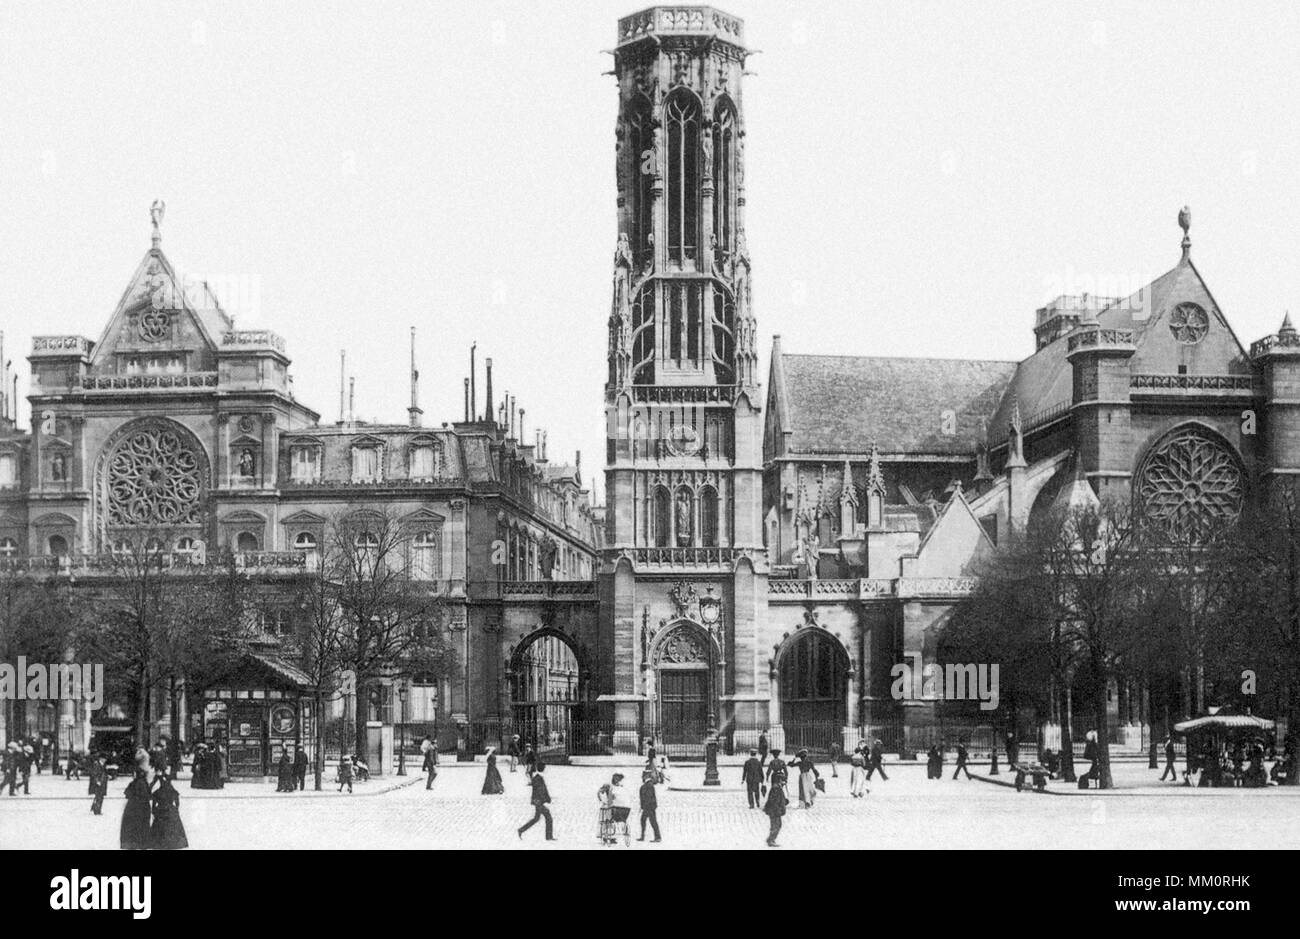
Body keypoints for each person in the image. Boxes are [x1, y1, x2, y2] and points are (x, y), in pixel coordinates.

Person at [148, 772, 188, 849]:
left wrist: (154, 811)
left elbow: (153, 803)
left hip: (160, 810)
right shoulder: (173, 791)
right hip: (171, 810)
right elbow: (177, 802)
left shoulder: (158, 792)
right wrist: (176, 809)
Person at [120, 760, 153, 850]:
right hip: (142, 808)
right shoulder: (143, 782)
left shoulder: (136, 783)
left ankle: (135, 844)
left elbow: (128, 793)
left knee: (134, 827)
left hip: (135, 808)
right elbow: (148, 796)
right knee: (141, 827)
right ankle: (141, 844)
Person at [517, 761, 554, 841]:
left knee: (536, 818)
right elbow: (541, 791)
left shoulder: (537, 777)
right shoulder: (538, 778)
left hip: (537, 801)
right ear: (543, 769)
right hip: (538, 801)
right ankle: (549, 836)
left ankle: (521, 830)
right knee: (548, 817)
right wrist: (546, 799)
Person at [763, 766, 788, 847]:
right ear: (779, 780)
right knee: (775, 826)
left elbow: (780, 799)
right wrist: (777, 810)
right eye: (783, 780)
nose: (784, 782)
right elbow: (773, 801)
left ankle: (771, 839)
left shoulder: (778, 787)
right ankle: (771, 840)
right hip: (774, 811)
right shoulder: (776, 788)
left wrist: (785, 801)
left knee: (778, 825)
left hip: (776, 810)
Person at [638, 770, 661, 842]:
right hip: (649, 807)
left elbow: (647, 797)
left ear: (646, 776)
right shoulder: (649, 785)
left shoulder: (648, 785)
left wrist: (643, 806)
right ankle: (643, 836)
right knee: (646, 820)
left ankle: (657, 837)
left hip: (649, 807)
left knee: (651, 821)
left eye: (643, 776)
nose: (642, 777)